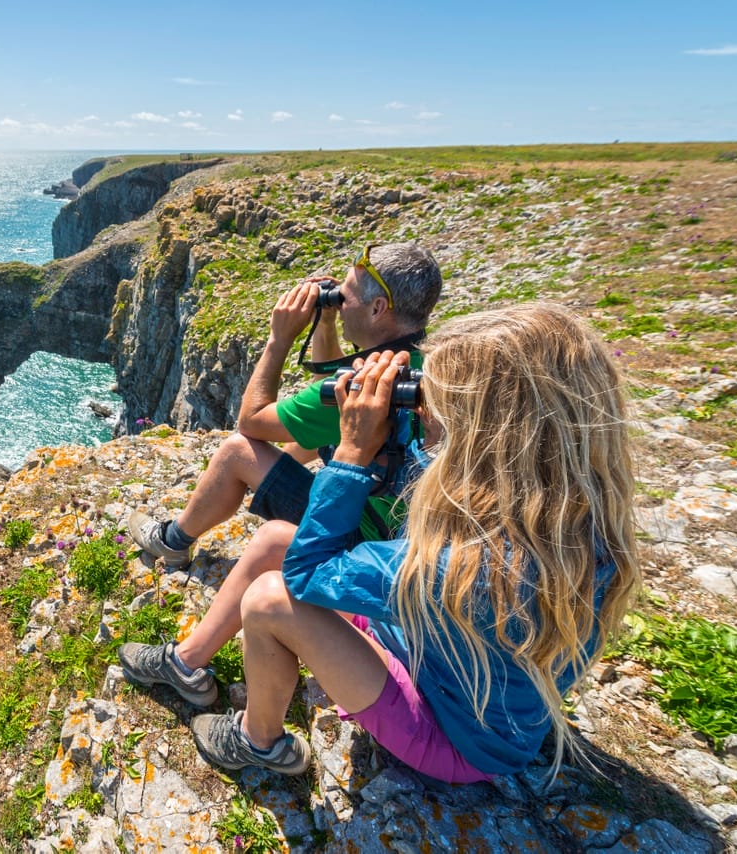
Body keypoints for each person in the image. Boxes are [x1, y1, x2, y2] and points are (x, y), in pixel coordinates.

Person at [183, 303, 640, 781]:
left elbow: (308, 573)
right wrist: (385, 429)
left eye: (436, 407)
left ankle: (260, 741)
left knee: (270, 600)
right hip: (441, 660)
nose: (424, 414)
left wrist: (353, 451)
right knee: (278, 538)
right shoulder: (559, 510)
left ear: (481, 435)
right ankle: (188, 662)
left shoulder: (475, 564)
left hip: (456, 737)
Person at [120, 243, 442, 706]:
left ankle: (172, 541)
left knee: (237, 451)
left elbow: (251, 420)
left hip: (358, 538)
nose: (336, 301)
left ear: (378, 308)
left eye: (343, 297)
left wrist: (279, 338)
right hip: (396, 537)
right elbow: (322, 420)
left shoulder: (364, 388)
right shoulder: (419, 368)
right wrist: (327, 322)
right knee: (305, 441)